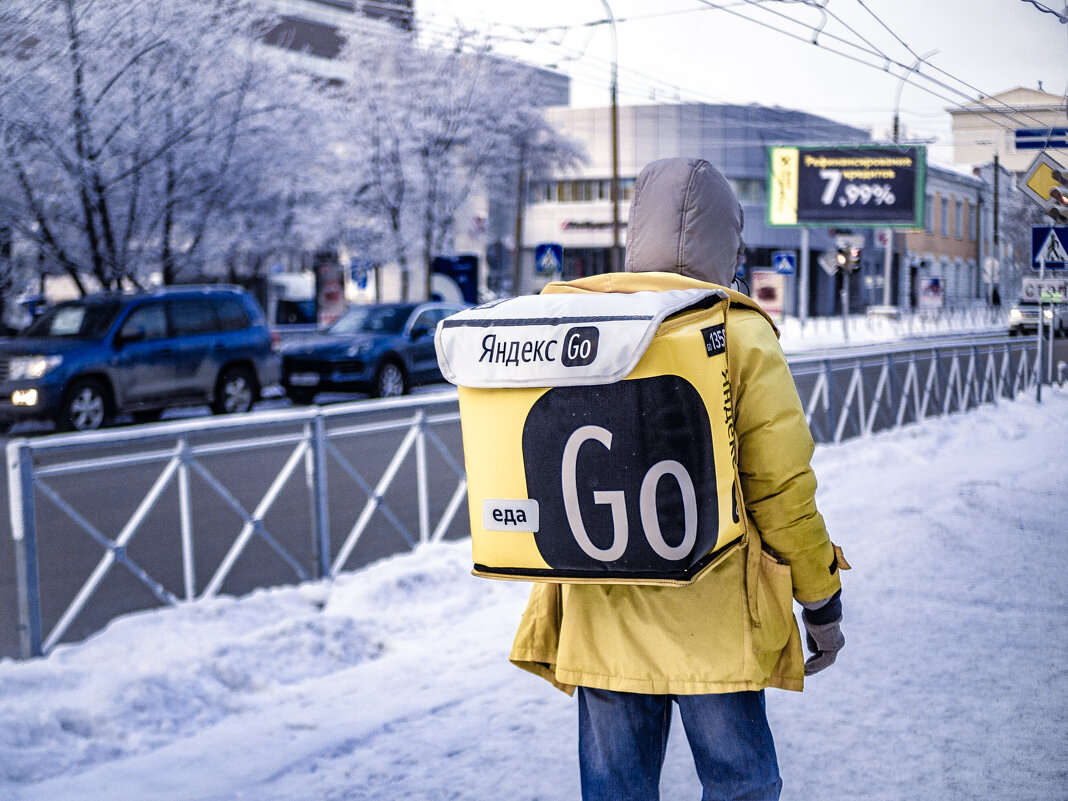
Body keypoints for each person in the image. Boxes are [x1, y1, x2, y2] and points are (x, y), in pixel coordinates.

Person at [509, 157, 846, 801]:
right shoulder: (738, 332)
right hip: (714, 623)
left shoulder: (583, 322)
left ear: (638, 233)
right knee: (742, 787)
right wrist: (821, 600)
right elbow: (780, 490)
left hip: (602, 609)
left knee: (614, 793)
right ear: (730, 242)